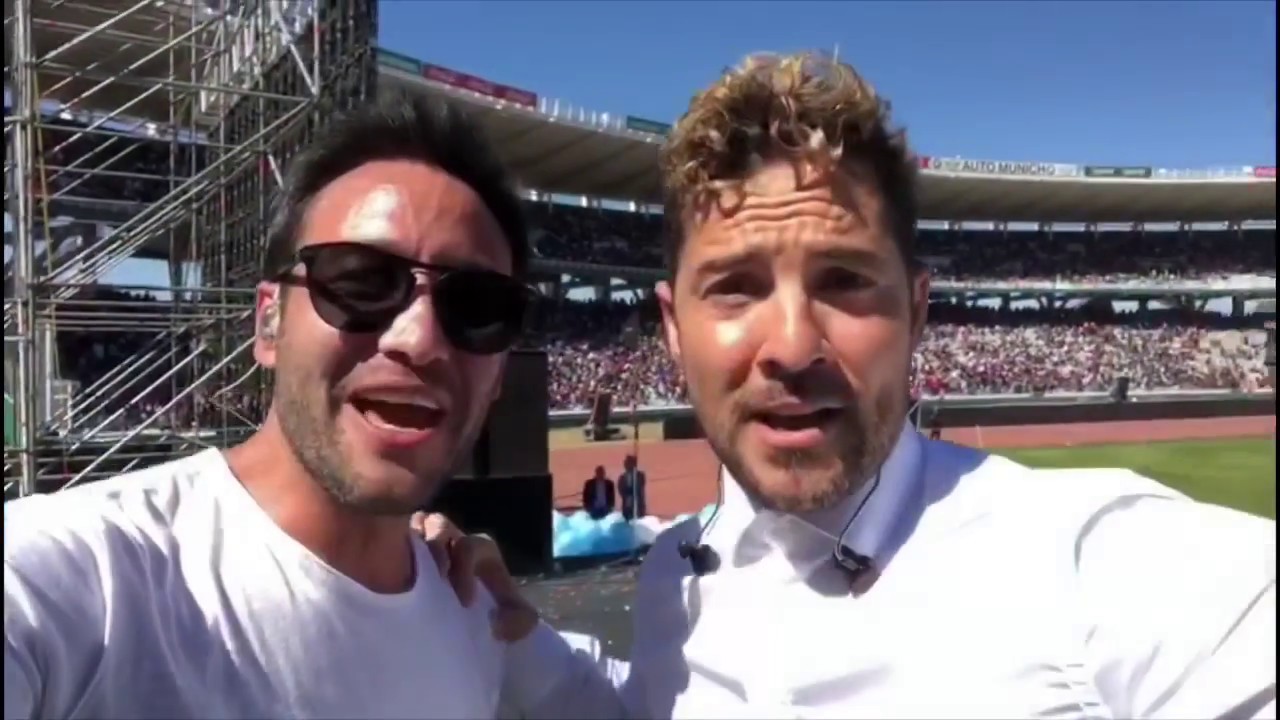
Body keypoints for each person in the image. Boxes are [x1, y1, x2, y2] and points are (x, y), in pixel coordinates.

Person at [421, 52, 1277, 719]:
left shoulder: (1095, 565)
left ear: (916, 308)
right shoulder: (674, 576)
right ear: (673, 329)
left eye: (844, 280)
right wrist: (514, 630)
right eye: (735, 287)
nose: (792, 346)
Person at [4, 92, 550, 719]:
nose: (418, 340)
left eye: (478, 307)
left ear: (502, 368)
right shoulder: (75, 576)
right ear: (269, 324)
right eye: (360, 282)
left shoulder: (473, 619)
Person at [618, 454, 647, 520]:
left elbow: (640, 487)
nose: (626, 465)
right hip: (627, 505)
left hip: (638, 506)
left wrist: (631, 490)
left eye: (628, 463)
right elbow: (621, 490)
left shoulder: (640, 475)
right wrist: (627, 492)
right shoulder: (622, 477)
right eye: (626, 463)